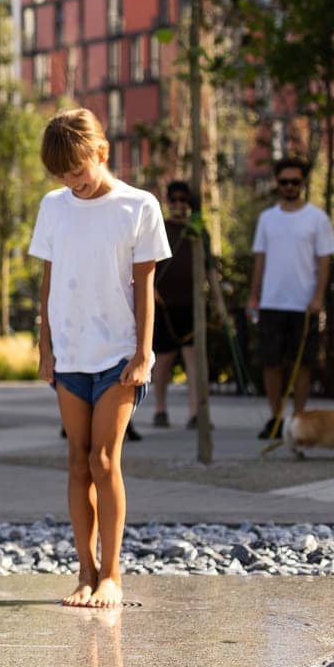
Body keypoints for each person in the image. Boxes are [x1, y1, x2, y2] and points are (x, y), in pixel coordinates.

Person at [29, 109, 169, 610]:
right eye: (62, 175)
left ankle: (112, 574)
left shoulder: (139, 207)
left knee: (104, 459)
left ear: (101, 154)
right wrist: (44, 346)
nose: (72, 183)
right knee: (75, 460)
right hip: (69, 353)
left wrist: (143, 354)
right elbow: (48, 281)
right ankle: (84, 571)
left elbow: (145, 288)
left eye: (78, 171)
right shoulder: (54, 206)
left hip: (118, 355)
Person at [249, 156, 334, 439]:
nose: (289, 186)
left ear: (303, 183)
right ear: (277, 183)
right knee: (270, 362)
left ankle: (298, 419)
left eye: (295, 182)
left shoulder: (317, 218)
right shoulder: (267, 219)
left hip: (304, 304)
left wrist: (318, 296)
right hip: (272, 302)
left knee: (303, 364)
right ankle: (275, 419)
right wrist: (254, 296)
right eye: (284, 182)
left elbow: (324, 260)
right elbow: (260, 260)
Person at [150, 180, 200, 429]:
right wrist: (151, 291)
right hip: (164, 305)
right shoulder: (159, 228)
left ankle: (195, 412)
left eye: (184, 200)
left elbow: (209, 266)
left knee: (193, 359)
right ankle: (160, 409)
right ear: (167, 202)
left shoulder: (197, 231)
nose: (179, 205)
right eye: (174, 200)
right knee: (164, 359)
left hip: (192, 304)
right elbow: (147, 264)